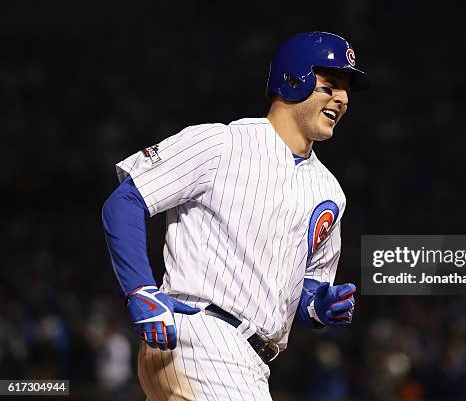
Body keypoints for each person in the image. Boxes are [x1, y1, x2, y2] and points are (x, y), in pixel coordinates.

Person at [102, 31, 370, 400]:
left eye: (346, 90)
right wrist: (140, 289)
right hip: (201, 334)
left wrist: (317, 305)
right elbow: (125, 201)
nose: (342, 98)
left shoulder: (329, 192)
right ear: (293, 80)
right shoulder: (221, 144)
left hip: (253, 359)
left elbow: (305, 288)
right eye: (330, 85)